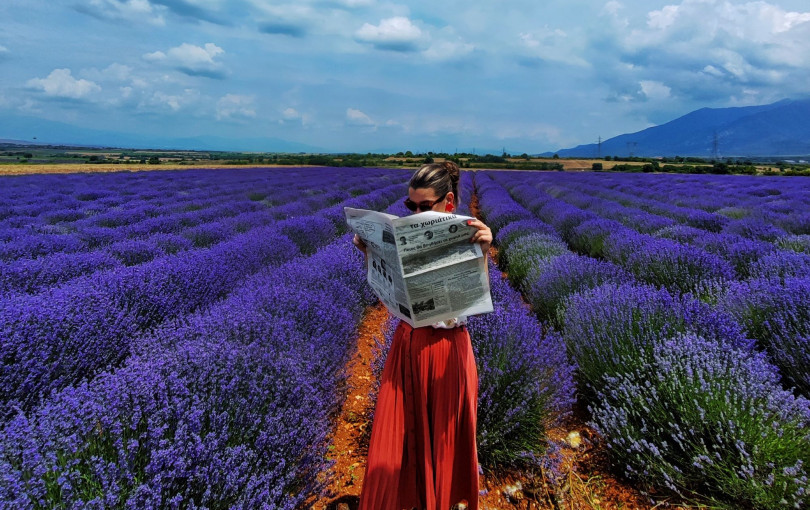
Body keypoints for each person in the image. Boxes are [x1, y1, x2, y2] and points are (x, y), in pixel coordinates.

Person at [351, 161, 492, 510]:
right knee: (396, 440)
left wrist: (484, 251)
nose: (414, 212)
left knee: (444, 444)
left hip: (447, 351)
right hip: (407, 344)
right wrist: (372, 252)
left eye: (423, 206)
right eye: (409, 206)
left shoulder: (472, 233)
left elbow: (473, 299)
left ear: (447, 202)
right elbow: (387, 293)